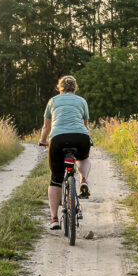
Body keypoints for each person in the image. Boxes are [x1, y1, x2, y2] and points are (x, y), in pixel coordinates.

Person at [37, 75, 92, 231]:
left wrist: (42, 140)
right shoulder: (82, 101)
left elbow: (46, 127)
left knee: (55, 179)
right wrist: (88, 139)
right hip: (80, 137)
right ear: (75, 88)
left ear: (59, 87)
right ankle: (84, 180)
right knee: (84, 158)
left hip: (58, 139)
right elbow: (85, 125)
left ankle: (54, 218)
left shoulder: (52, 101)